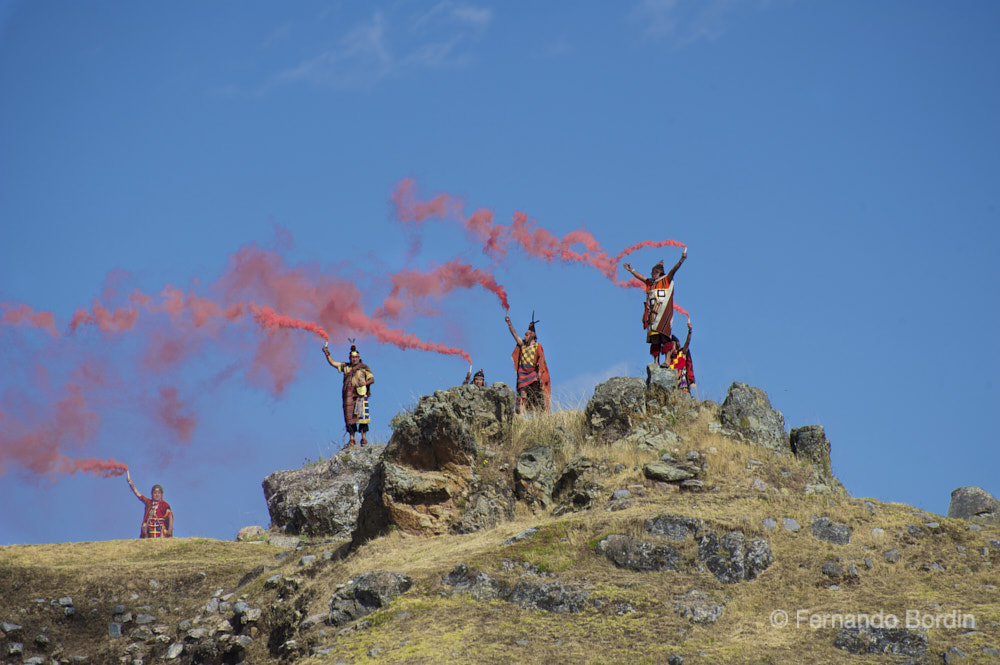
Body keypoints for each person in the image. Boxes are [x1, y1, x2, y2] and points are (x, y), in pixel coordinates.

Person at [623, 248, 687, 365]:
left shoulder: (666, 280)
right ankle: (656, 362)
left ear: (660, 273)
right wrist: (631, 270)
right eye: (652, 273)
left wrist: (681, 260)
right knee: (655, 338)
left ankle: (667, 361)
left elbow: (674, 270)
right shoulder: (650, 283)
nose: (653, 275)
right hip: (653, 315)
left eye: (655, 273)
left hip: (664, 313)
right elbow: (641, 277)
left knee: (665, 337)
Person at [323, 342, 375, 447]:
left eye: (356, 357)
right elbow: (333, 363)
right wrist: (327, 353)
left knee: (363, 417)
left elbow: (372, 379)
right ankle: (352, 439)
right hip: (348, 396)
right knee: (350, 417)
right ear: (350, 358)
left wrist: (364, 383)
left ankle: (363, 438)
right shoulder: (345, 367)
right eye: (352, 357)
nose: (354, 359)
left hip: (360, 395)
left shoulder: (363, 368)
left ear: (359, 357)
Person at [505, 312, 551, 414]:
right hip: (522, 373)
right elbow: (514, 334)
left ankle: (539, 414)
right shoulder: (522, 344)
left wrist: (539, 372)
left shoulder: (538, 346)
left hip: (533, 372)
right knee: (523, 394)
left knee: (536, 393)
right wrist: (509, 324)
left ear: (532, 336)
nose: (524, 336)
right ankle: (520, 415)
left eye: (526, 335)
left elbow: (541, 360)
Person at [126, 469, 174, 538]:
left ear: (161, 494)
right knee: (145, 527)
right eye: (155, 493)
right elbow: (138, 495)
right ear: (152, 494)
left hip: (160, 529)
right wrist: (131, 483)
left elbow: (169, 515)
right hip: (149, 528)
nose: (157, 495)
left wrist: (170, 529)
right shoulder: (149, 502)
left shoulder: (164, 504)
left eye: (158, 493)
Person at [666, 320, 696, 393]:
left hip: (683, 382)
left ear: (677, 344)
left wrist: (690, 331)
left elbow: (687, 342)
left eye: (672, 344)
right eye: (670, 345)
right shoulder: (668, 359)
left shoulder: (682, 353)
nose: (671, 346)